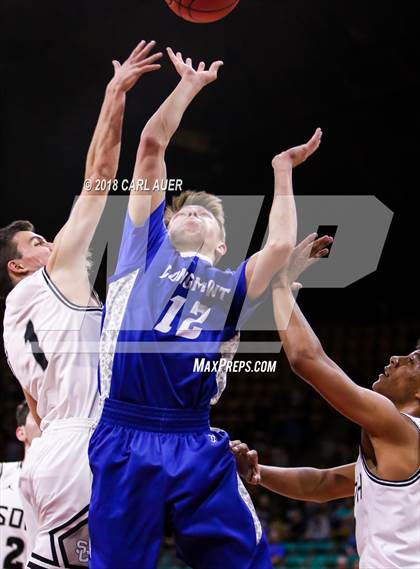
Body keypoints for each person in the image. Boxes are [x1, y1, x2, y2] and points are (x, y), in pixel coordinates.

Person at [89, 45, 323, 568]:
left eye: (206, 214)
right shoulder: (142, 249)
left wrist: (282, 171)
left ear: (222, 245)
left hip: (194, 438)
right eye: (184, 210)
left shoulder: (231, 284)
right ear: (164, 226)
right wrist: (189, 86)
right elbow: (151, 144)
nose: (191, 211)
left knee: (247, 560)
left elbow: (281, 248)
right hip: (125, 432)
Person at [1, 40, 162, 568]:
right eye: (37, 243)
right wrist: (115, 94)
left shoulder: (11, 326)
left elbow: (36, 409)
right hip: (84, 450)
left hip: (48, 458)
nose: (51, 243)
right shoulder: (55, 275)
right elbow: (99, 176)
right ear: (18, 266)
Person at [232, 235, 420, 569]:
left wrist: (281, 286)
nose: (396, 358)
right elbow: (323, 484)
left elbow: (307, 359)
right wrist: (257, 472)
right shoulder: (399, 446)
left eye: (413, 361)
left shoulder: (398, 429)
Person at [0, 401, 41, 568]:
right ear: (21, 433)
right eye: (36, 414)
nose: (44, 421)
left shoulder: (65, 488)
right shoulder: (3, 473)